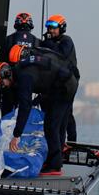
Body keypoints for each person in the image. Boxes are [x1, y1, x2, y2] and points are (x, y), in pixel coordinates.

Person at [0, 56, 78, 175]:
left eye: (2, 83)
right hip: (67, 82)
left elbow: (24, 107)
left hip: (64, 87)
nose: (3, 86)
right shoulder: (21, 69)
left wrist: (16, 135)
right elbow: (45, 80)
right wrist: (35, 101)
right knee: (58, 125)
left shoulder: (24, 78)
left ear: (6, 74)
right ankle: (56, 160)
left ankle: (55, 166)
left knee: (51, 126)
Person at [40, 14, 79, 144]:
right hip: (54, 82)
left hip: (69, 83)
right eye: (49, 28)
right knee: (50, 111)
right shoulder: (49, 42)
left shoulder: (66, 40)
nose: (51, 30)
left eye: (54, 28)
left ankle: (72, 142)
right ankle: (54, 142)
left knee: (67, 113)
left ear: (61, 27)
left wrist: (48, 43)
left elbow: (60, 54)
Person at [2, 12, 39, 114]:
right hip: (28, 81)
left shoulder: (9, 39)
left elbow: (2, 60)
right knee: (23, 110)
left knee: (7, 109)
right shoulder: (37, 41)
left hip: (10, 80)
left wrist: (5, 78)